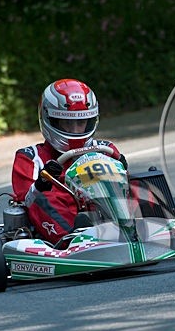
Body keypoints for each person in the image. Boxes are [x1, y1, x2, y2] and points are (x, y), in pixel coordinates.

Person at [11, 78, 128, 244]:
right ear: (50, 120)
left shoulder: (105, 149)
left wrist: (123, 169)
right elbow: (27, 201)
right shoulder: (30, 157)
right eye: (67, 123)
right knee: (41, 199)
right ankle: (74, 239)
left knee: (140, 181)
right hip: (66, 220)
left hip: (107, 209)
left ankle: (149, 224)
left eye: (81, 123)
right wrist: (41, 183)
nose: (75, 130)